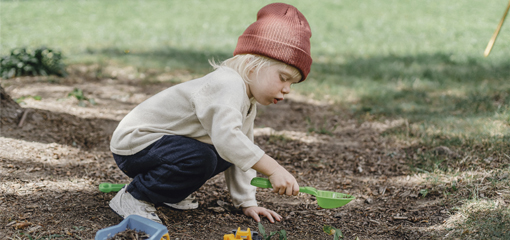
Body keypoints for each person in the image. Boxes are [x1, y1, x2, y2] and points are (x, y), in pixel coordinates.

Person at [108, 2, 312, 224]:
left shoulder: (246, 98)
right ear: (253, 65)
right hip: (136, 143)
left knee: (226, 153)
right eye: (283, 78)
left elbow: (241, 150)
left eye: (293, 83)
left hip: (162, 146)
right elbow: (228, 140)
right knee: (204, 157)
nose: (287, 89)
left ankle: (167, 193)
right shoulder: (228, 84)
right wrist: (273, 169)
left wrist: (247, 202)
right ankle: (135, 196)